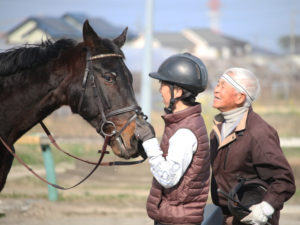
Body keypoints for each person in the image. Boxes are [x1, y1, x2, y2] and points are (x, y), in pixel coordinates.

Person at [210, 67, 296, 225]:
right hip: (226, 217)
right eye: (217, 84)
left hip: (253, 220)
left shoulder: (259, 132)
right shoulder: (218, 129)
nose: (215, 90)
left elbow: (284, 180)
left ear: (239, 97)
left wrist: (265, 209)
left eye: (223, 86)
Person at [134, 53, 211, 225]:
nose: (160, 90)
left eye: (163, 84)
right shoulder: (183, 122)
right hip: (174, 217)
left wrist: (149, 140)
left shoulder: (185, 131)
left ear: (177, 91)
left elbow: (167, 177)